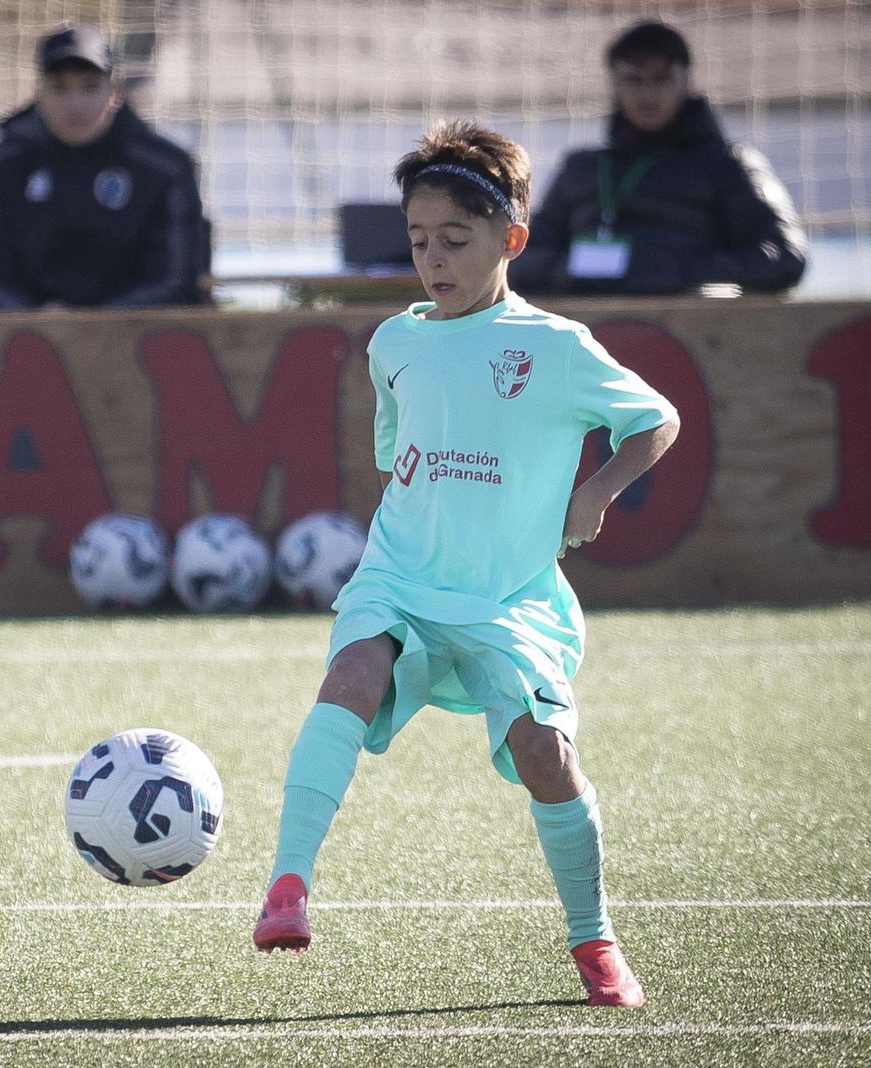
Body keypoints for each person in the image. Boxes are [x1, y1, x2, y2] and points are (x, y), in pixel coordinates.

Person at [250, 119, 680, 1010]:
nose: (433, 260)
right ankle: (287, 887)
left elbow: (657, 420)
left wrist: (594, 492)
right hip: (402, 576)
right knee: (349, 678)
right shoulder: (395, 344)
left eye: (456, 240)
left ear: (510, 240)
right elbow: (397, 454)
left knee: (544, 756)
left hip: (509, 596)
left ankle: (594, 938)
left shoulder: (556, 347)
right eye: (418, 242)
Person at [510, 20, 807, 296]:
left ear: (686, 82)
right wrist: (571, 271)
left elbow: (784, 256)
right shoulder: (581, 168)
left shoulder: (728, 164)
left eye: (661, 79)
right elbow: (520, 259)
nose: (648, 94)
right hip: (590, 329)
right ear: (615, 85)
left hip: (697, 332)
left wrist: (678, 272)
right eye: (634, 80)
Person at [0, 21, 209, 310]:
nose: (75, 103)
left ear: (115, 93)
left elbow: (180, 283)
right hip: (31, 341)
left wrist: (96, 325)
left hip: (137, 340)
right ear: (40, 95)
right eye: (60, 88)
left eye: (90, 87)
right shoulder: (6, 163)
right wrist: (37, 319)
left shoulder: (165, 167)